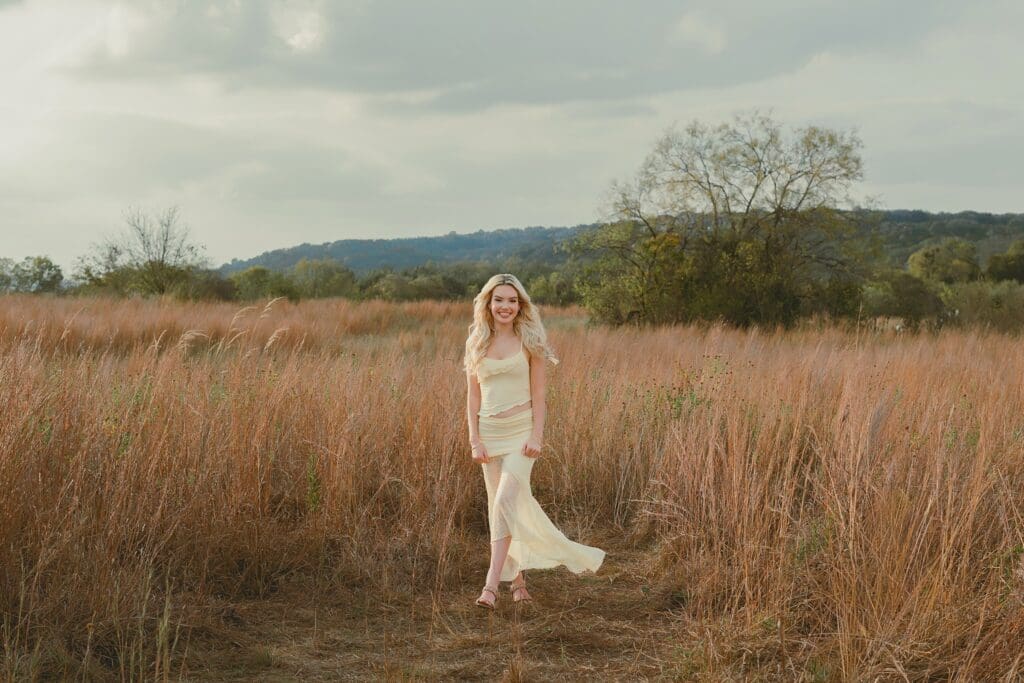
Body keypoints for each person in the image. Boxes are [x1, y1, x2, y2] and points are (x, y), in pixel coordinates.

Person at [464, 273, 605, 609]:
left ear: (520, 305)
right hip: (490, 434)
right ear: (488, 302)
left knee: (504, 502)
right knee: (501, 508)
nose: (505, 306)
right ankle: (518, 581)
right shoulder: (477, 341)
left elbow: (540, 395)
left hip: (521, 433)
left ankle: (489, 587)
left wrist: (536, 436)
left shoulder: (530, 341)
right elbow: (472, 397)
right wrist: (474, 440)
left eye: (512, 300)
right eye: (499, 299)